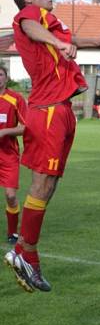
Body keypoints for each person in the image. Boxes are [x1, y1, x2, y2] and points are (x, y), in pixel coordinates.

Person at [4, 0, 100, 292]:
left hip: (61, 110)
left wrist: (93, 42)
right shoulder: (30, 17)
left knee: (49, 186)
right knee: (42, 183)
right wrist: (59, 42)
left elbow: (64, 41)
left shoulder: (50, 22)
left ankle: (24, 253)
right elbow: (28, 27)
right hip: (47, 110)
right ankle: (26, 254)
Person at [0, 65, 26, 244]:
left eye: (0, 74)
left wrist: (4, 132)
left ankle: (12, 232)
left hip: (8, 155)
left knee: (10, 195)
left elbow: (24, 127)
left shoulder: (16, 99)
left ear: (6, 77)